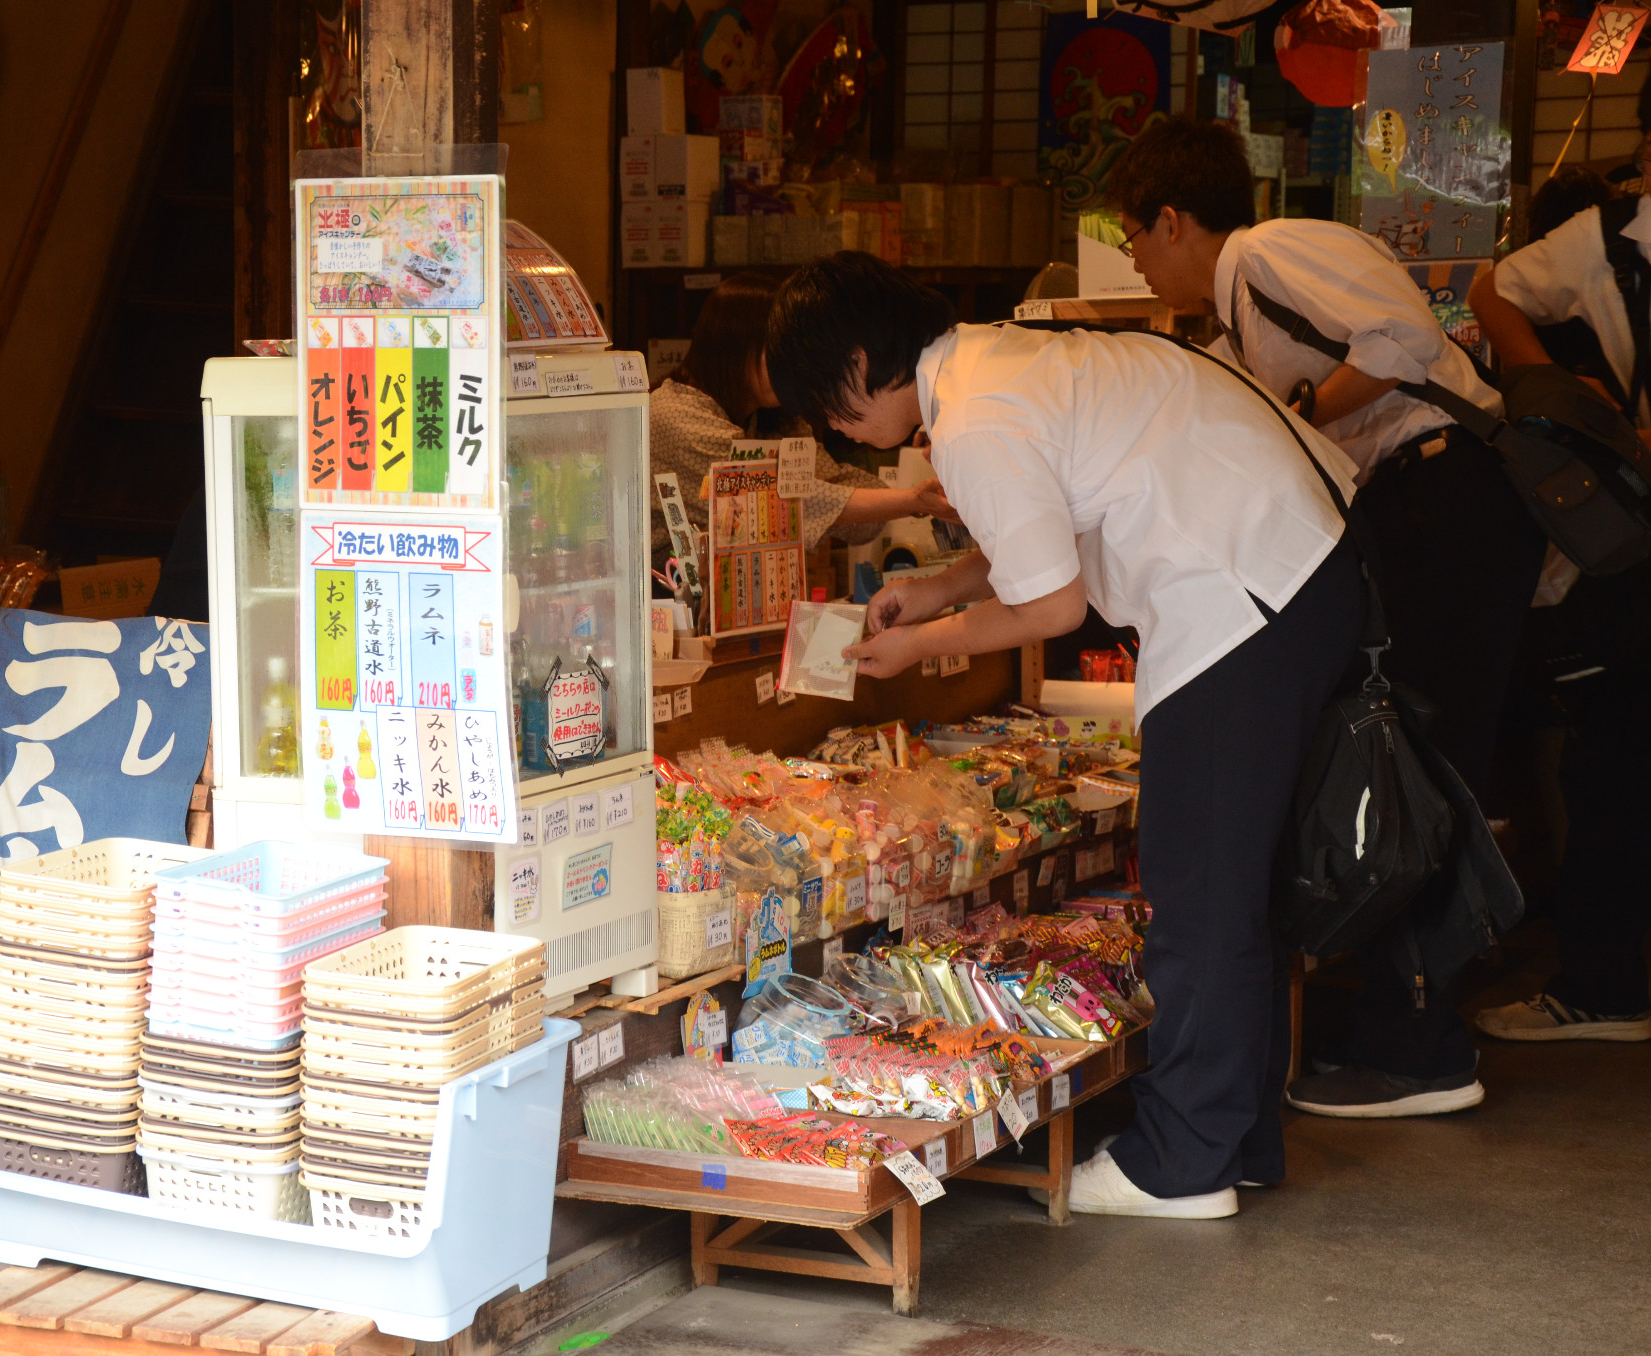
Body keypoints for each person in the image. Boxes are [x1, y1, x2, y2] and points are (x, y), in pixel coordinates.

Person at [768, 251, 1362, 1218]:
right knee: (1226, 889)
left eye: (830, 409)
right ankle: (1233, 1138)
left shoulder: (972, 415)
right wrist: (942, 589)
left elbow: (1049, 602)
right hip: (1290, 571)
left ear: (861, 362)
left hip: (1243, 597)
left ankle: (1184, 1165)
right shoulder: (995, 362)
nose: (839, 433)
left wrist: (921, 644)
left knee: (1198, 890)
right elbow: (1044, 527)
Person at [1104, 115, 1548, 1119]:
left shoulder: (1268, 250)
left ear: (1173, 220)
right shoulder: (1228, 324)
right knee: (1409, 760)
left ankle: (1420, 1048)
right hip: (1419, 512)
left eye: (1133, 237)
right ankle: (1405, 1024)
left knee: (1417, 765)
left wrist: (1304, 410)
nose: (1134, 263)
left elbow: (1404, 339)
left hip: (1449, 498)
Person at [1462, 168, 1651, 1044]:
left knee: (1615, 757)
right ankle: (1605, 982)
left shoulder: (1618, 235)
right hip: (1635, 526)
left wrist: (1566, 406)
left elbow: (1489, 288)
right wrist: (1570, 405)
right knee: (1616, 751)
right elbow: (1493, 288)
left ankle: (1607, 987)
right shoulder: (1613, 236)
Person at [649, 272, 956, 575]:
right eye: (780, 356)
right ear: (733, 348)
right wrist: (913, 500)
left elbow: (835, 486)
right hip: (665, 598)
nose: (795, 371)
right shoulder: (677, 416)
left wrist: (913, 499)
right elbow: (781, 503)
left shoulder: (775, 418)